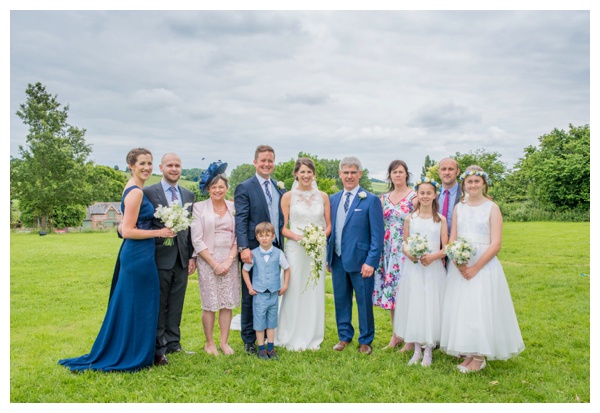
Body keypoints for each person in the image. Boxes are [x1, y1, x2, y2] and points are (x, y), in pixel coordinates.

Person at [59, 148, 175, 372]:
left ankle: (135, 350)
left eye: (149, 163)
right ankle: (132, 354)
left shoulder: (132, 188)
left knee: (135, 304)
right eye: (142, 163)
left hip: (139, 252)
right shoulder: (136, 193)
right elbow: (129, 231)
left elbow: (122, 226)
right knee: (138, 304)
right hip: (138, 253)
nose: (147, 167)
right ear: (131, 165)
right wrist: (159, 233)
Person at [440, 165, 525, 373]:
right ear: (464, 185)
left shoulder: (492, 208)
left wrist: (476, 267)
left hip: (483, 265)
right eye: (469, 182)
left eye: (477, 181)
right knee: (464, 308)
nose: (473, 185)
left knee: (480, 307)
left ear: (484, 184)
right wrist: (458, 261)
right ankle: (469, 352)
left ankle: (479, 357)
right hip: (461, 264)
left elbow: (496, 244)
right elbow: (453, 238)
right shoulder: (459, 207)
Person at [327, 157, 384, 355]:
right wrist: (328, 257)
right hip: (338, 258)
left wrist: (371, 262)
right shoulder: (332, 199)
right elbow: (330, 230)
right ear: (340, 174)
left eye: (353, 172)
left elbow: (378, 235)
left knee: (363, 301)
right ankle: (344, 336)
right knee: (341, 299)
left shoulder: (370, 200)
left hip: (362, 262)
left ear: (360, 174)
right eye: (346, 172)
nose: (349, 176)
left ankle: (366, 340)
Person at [143, 153, 196, 366]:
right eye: (170, 165)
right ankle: (159, 349)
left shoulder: (189, 194)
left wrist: (192, 255)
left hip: (182, 258)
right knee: (160, 303)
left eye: (178, 165)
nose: (174, 169)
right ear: (161, 167)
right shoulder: (148, 192)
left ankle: (174, 344)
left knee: (177, 303)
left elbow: (191, 228)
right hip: (159, 256)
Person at [234, 145, 286, 355]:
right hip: (253, 250)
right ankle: (249, 339)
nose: (266, 164)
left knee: (270, 292)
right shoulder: (245, 187)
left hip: (275, 249)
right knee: (252, 294)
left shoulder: (278, 187)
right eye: (263, 160)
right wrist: (243, 247)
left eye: (270, 160)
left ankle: (267, 335)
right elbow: (241, 219)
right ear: (255, 162)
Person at [276, 158, 332, 350]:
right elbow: (282, 228)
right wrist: (300, 238)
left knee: (313, 289)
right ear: (296, 174)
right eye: (302, 172)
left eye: (309, 172)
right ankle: (289, 332)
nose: (306, 175)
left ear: (314, 174)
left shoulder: (323, 197)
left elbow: (329, 225)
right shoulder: (288, 197)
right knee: (293, 288)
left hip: (316, 250)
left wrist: (318, 237)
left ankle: (312, 333)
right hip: (295, 249)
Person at [393, 178, 448, 367]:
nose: (425, 196)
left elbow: (446, 247)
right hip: (414, 268)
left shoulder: (440, 219)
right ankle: (416, 349)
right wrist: (411, 255)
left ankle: (429, 349)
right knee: (416, 303)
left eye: (429, 193)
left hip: (432, 268)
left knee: (431, 304)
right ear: (417, 195)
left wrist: (433, 257)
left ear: (434, 195)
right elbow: (404, 243)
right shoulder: (410, 218)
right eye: (422, 193)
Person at [191, 162, 239, 356]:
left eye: (221, 187)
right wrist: (214, 264)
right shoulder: (199, 208)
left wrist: (228, 261)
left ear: (226, 188)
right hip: (207, 259)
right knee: (210, 302)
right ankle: (209, 343)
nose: (218, 190)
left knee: (227, 302)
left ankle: (224, 342)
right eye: (214, 187)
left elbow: (238, 236)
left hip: (229, 258)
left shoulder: (234, 207)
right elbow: (196, 238)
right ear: (208, 189)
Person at [373, 160, 418, 351]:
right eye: (394, 172)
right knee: (391, 292)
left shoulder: (414, 196)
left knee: (406, 292)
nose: (397, 175)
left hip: (406, 248)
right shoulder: (383, 198)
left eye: (401, 172)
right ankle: (396, 335)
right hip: (388, 248)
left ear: (406, 174)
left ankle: (410, 338)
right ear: (390, 176)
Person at [241, 222, 290, 360]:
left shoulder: (278, 253)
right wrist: (250, 287)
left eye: (267, 235)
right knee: (259, 322)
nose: (264, 238)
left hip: (273, 293)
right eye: (261, 236)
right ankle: (261, 348)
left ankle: (271, 347)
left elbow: (287, 269)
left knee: (271, 322)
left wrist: (285, 285)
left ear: (273, 236)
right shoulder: (253, 254)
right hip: (259, 295)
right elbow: (245, 271)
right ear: (257, 237)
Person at [437, 157, 461, 235]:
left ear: (457, 172)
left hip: (458, 242)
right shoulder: (432, 193)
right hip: (435, 242)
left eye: (451, 169)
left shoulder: (466, 193)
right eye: (443, 169)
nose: (447, 172)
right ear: (439, 172)